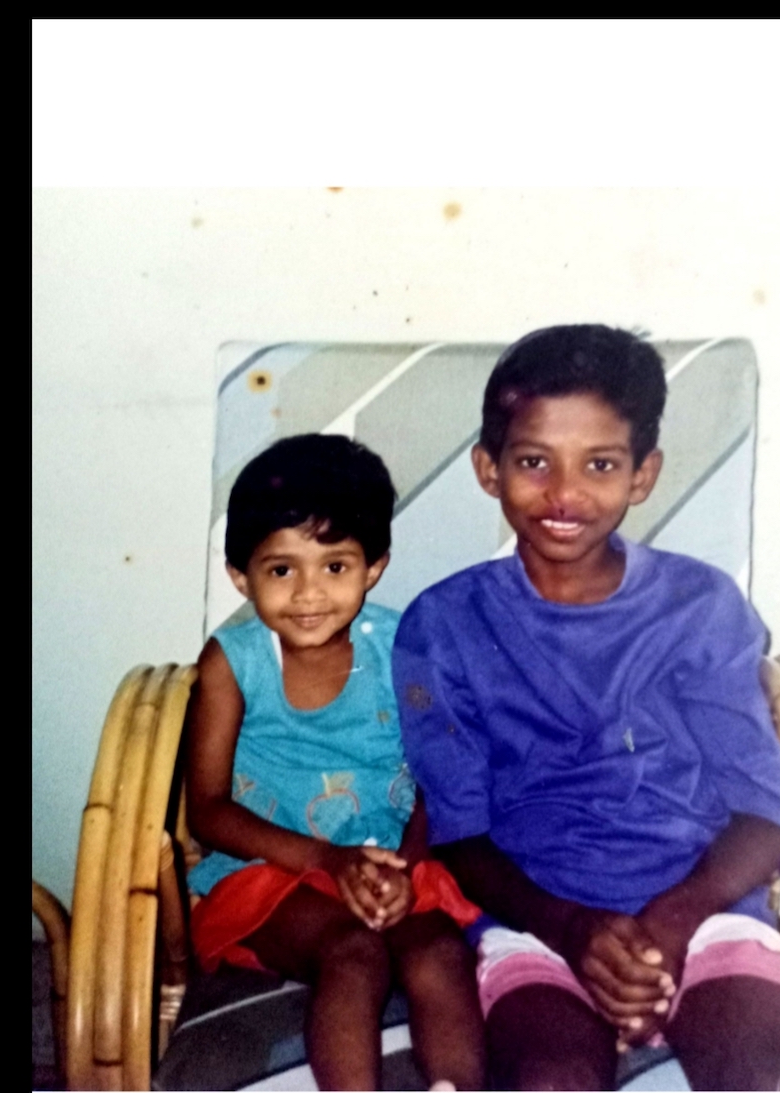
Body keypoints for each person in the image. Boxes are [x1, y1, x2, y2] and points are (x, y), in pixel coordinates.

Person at [392, 325, 780, 1091]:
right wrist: (572, 928)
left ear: (643, 474)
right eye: (534, 461)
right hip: (537, 920)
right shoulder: (443, 625)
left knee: (766, 1077)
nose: (565, 492)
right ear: (488, 470)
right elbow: (460, 831)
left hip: (705, 903)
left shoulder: (700, 605)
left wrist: (671, 921)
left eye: (599, 464)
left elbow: (766, 813)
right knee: (548, 1082)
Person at [185, 434, 486, 1092]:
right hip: (270, 872)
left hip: (390, 861)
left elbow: (440, 776)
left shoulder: (404, 647)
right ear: (241, 575)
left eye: (335, 566)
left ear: (373, 565)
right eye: (281, 569)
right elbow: (206, 810)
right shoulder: (233, 661)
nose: (309, 593)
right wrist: (326, 860)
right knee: (354, 951)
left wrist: (408, 864)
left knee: (439, 953)